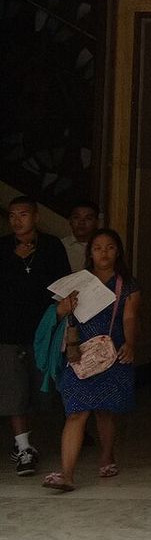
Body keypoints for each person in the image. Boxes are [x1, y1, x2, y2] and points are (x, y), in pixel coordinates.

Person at [43, 229, 141, 493]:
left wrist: (130, 344)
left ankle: (107, 456)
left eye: (109, 247)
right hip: (78, 354)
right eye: (97, 248)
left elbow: (130, 317)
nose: (104, 253)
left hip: (111, 353)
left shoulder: (127, 284)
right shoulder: (77, 282)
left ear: (117, 251)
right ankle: (67, 474)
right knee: (75, 412)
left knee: (104, 411)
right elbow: (59, 314)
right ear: (90, 253)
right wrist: (63, 307)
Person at [1, 196, 70, 477]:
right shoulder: (2, 247)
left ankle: (26, 443)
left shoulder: (51, 246)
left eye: (23, 214)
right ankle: (24, 446)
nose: (17, 220)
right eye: (12, 215)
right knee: (13, 390)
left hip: (43, 332)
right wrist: (13, 262)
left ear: (36, 217)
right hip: (6, 331)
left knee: (41, 390)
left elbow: (64, 286)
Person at [61, 199, 100, 275]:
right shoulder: (60, 246)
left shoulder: (103, 248)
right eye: (76, 217)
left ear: (97, 222)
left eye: (88, 218)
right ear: (69, 220)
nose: (81, 222)